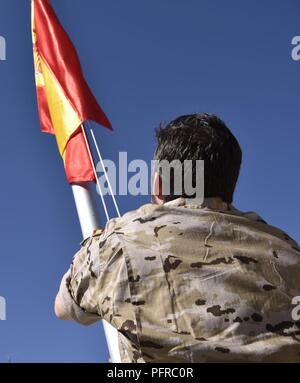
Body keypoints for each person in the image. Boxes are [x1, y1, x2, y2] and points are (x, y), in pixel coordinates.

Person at [54, 113, 300, 362]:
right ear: (230, 185)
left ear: (158, 184)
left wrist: (95, 252)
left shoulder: (116, 244)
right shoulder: (290, 253)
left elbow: (63, 308)